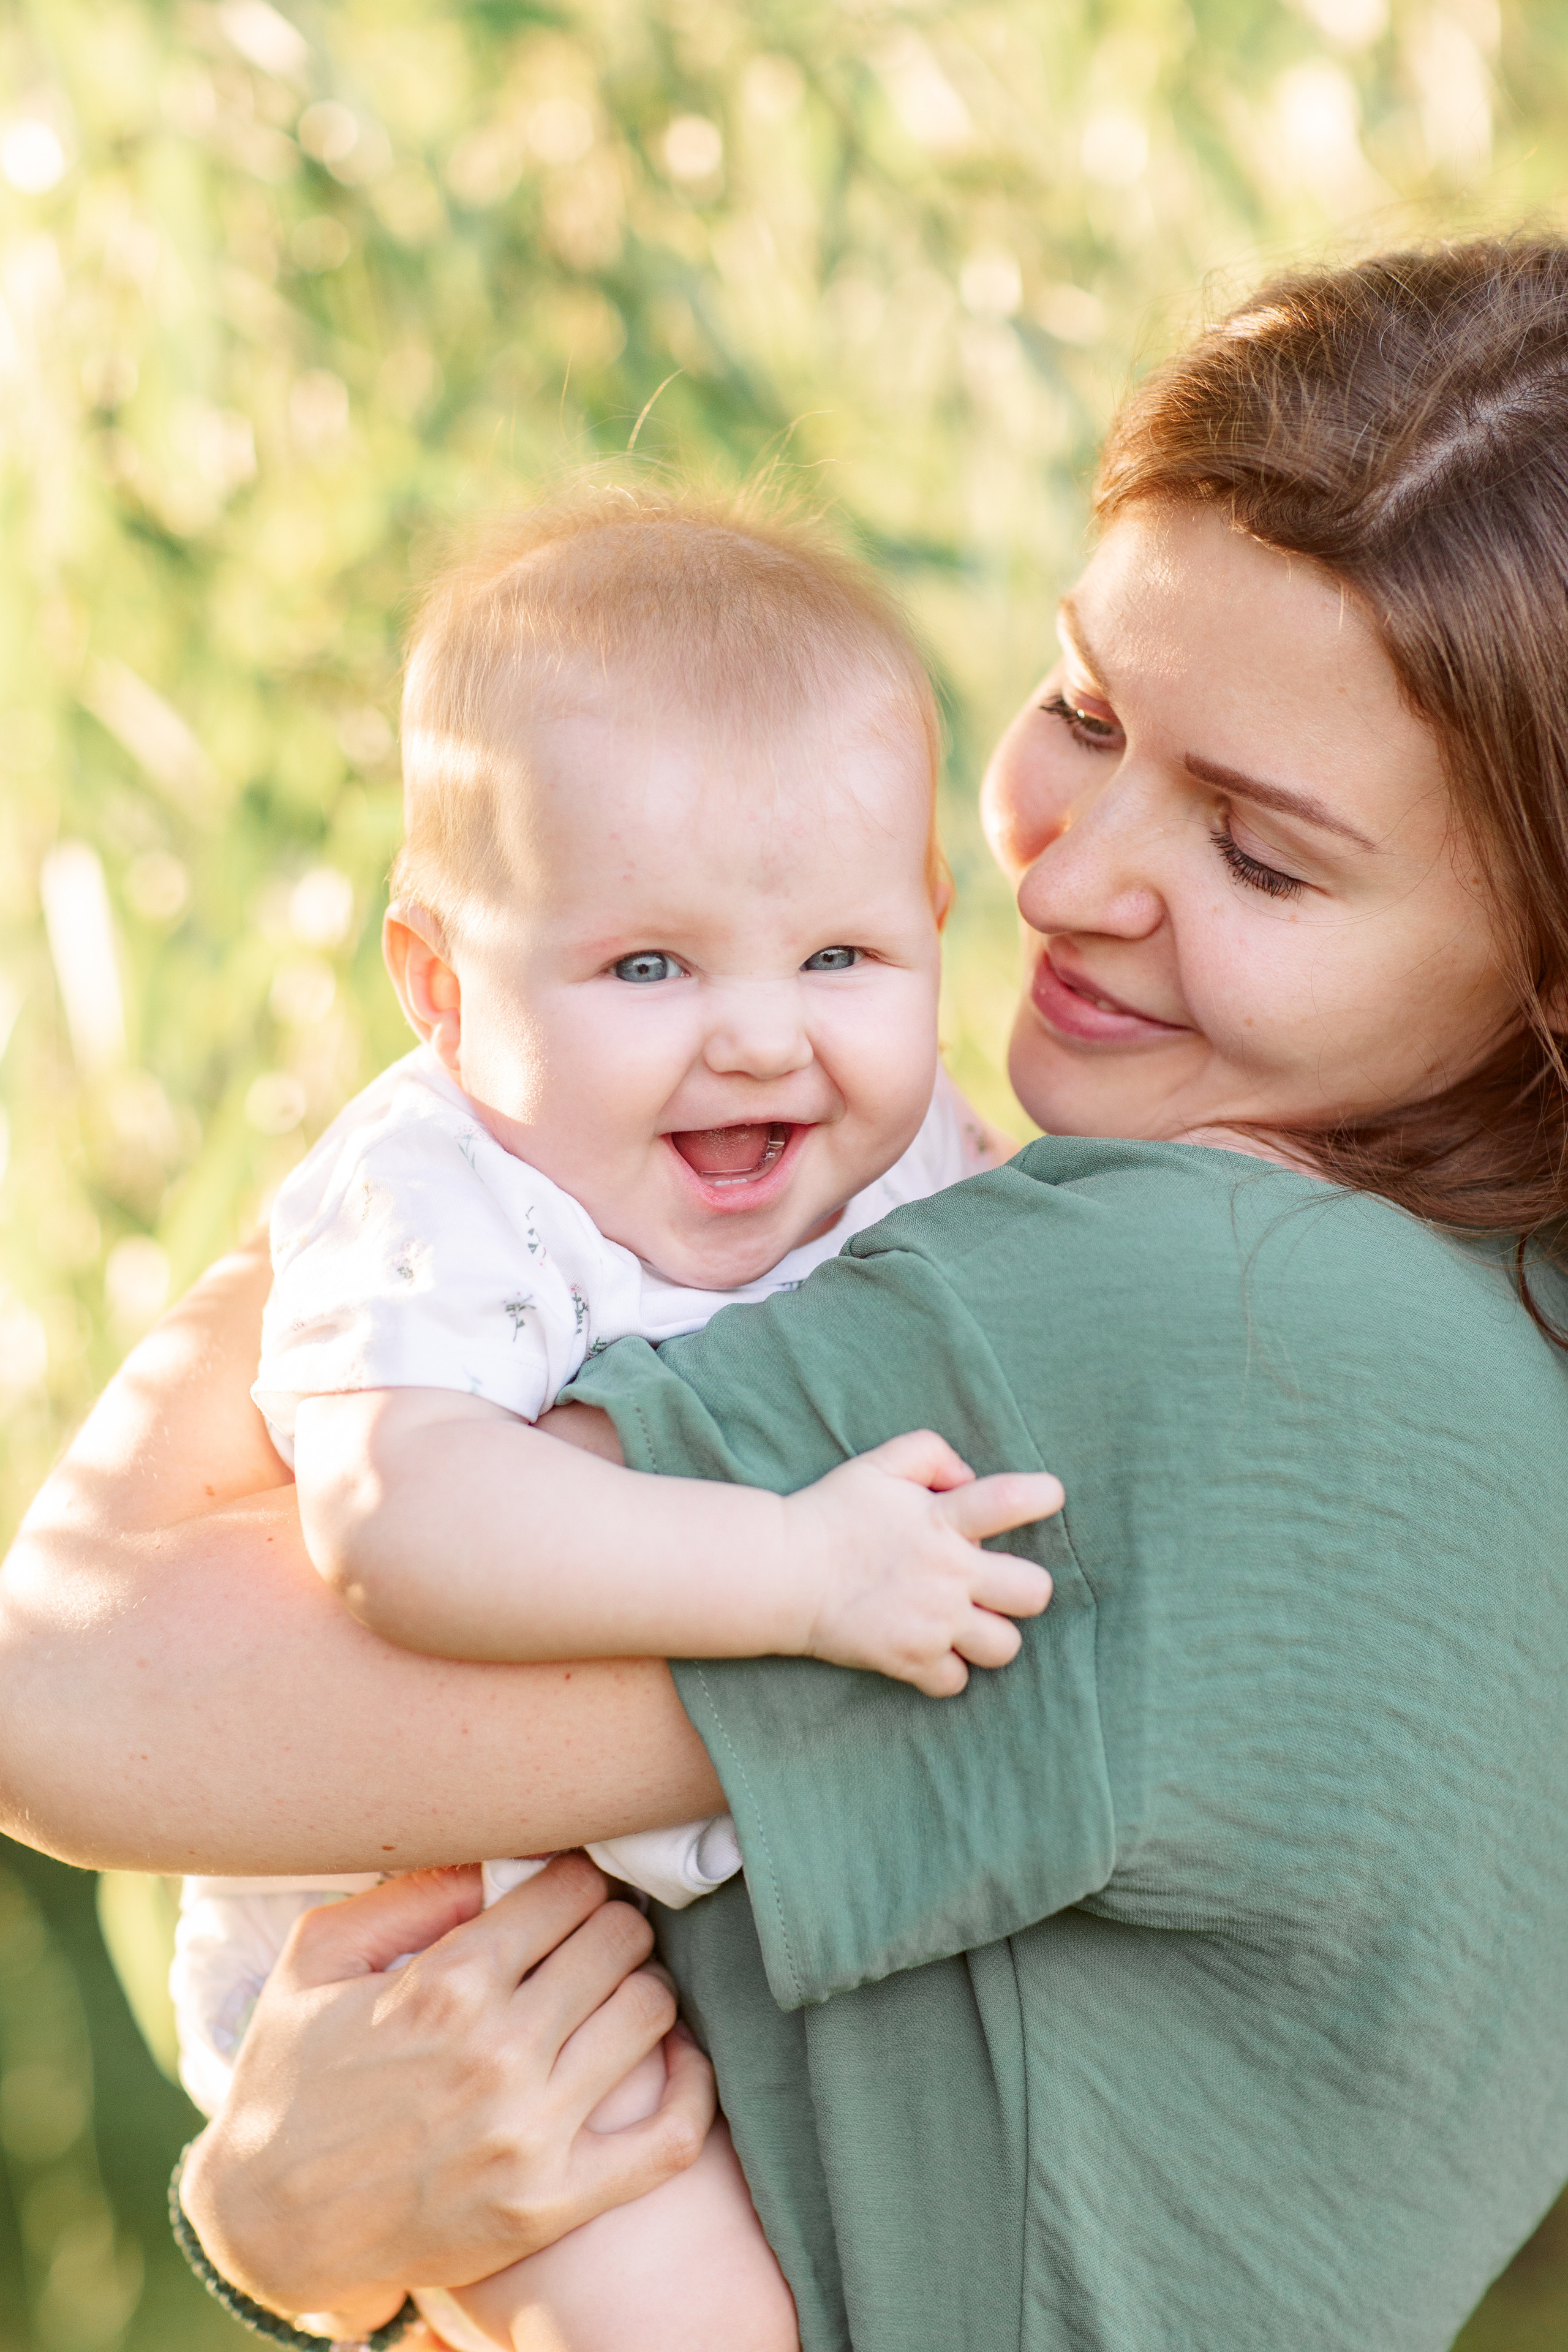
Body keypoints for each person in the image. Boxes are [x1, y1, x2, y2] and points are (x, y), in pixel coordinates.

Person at [5, 235, 1568, 2352]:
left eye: (1262, 856)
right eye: (1085, 711)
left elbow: (78, 1694)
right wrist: (309, 2226)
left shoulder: (1201, 1315)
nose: (1071, 872)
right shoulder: (1493, 1349)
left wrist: (439, 1133)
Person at [170, 491, 1058, 2352]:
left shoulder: (906, 1151)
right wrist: (800, 1572)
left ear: (931, 926)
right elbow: (404, 1521)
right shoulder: (441, 1193)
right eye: (648, 967)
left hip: (701, 1919)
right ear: (440, 988)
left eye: (839, 957)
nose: (757, 1036)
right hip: (461, 1960)